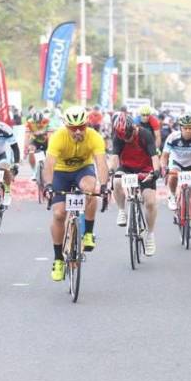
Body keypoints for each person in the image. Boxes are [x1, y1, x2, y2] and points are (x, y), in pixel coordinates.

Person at [42, 106, 110, 282]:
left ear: (87, 124)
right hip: (61, 173)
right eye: (73, 128)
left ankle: (88, 232)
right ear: (66, 126)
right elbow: (49, 164)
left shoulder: (94, 137)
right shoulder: (58, 137)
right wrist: (48, 185)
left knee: (90, 189)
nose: (78, 131)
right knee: (59, 214)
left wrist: (103, 186)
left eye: (82, 126)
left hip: (82, 170)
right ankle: (58, 259)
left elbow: (101, 163)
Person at [110, 113, 160, 256]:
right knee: (117, 180)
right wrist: (112, 171)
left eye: (129, 135)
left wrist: (156, 172)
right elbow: (114, 158)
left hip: (145, 169)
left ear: (133, 127)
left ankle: (150, 235)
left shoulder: (145, 135)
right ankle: (121, 210)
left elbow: (154, 157)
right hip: (127, 168)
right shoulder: (119, 138)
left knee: (150, 202)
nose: (128, 139)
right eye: (124, 137)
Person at [161, 113, 191, 238]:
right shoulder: (172, 137)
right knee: (174, 175)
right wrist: (164, 167)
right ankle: (171, 195)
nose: (188, 131)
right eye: (185, 128)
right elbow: (165, 156)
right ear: (180, 128)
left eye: (190, 128)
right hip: (176, 163)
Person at [25, 110, 51, 180]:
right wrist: (25, 148)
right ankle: (34, 172)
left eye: (40, 122)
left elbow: (50, 136)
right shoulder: (29, 123)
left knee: (50, 155)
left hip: (45, 140)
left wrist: (50, 148)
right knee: (31, 150)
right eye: (37, 122)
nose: (39, 124)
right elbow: (27, 136)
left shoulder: (47, 121)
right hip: (35, 140)